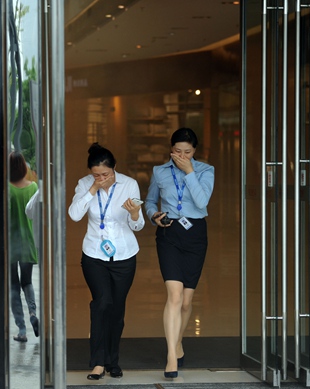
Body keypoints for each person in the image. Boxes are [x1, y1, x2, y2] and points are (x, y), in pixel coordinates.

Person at [68, 143, 145, 380]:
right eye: (96, 174)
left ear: (115, 169)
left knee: (116, 308)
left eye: (106, 174)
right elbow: (74, 214)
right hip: (94, 255)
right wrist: (92, 189)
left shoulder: (129, 184)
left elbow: (138, 224)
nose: (102, 178)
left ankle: (113, 361)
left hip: (124, 255)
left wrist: (134, 214)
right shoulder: (84, 184)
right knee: (101, 303)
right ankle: (98, 362)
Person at [144, 127, 215, 379]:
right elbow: (151, 201)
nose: (181, 155)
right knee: (174, 296)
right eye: (177, 151)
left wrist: (189, 173)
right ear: (170, 149)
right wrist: (153, 215)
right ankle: (171, 356)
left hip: (195, 235)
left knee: (186, 302)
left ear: (194, 151)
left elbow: (202, 201)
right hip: (169, 233)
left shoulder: (206, 171)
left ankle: (178, 341)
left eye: (187, 152)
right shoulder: (159, 172)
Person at [8, 151, 39, 342]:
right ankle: (33, 313)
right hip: (28, 242)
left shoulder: (6, 189)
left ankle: (21, 330)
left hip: (11, 243)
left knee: (13, 286)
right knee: (27, 282)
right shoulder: (33, 187)